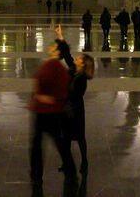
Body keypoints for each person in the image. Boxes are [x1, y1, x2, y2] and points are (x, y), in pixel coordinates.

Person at [28, 34, 76, 189]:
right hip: (54, 112)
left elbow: (43, 83)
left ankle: (36, 176)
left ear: (57, 52)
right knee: (59, 144)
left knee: (38, 145)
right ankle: (71, 172)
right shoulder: (61, 69)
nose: (49, 47)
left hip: (45, 112)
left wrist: (43, 97)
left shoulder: (51, 66)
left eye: (52, 46)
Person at [55, 26, 94, 175]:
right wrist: (60, 36)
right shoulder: (73, 69)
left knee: (79, 137)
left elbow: (74, 94)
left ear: (83, 65)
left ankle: (84, 162)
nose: (76, 59)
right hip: (67, 108)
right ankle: (66, 162)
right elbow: (66, 54)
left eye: (79, 59)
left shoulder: (82, 78)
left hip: (75, 109)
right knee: (65, 138)